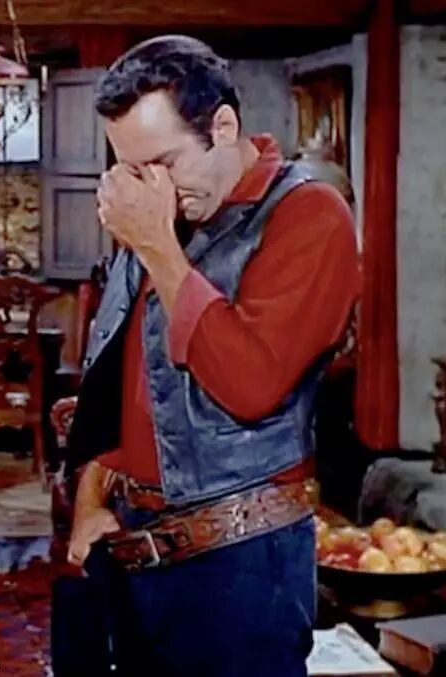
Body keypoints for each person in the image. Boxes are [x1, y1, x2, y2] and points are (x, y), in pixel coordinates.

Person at [63, 34, 359, 677]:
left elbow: (251, 386)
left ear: (222, 127)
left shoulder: (309, 214)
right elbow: (115, 383)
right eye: (133, 170)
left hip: (241, 568)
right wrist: (90, 501)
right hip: (132, 553)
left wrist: (157, 249)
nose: (151, 189)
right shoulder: (162, 218)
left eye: (163, 162)